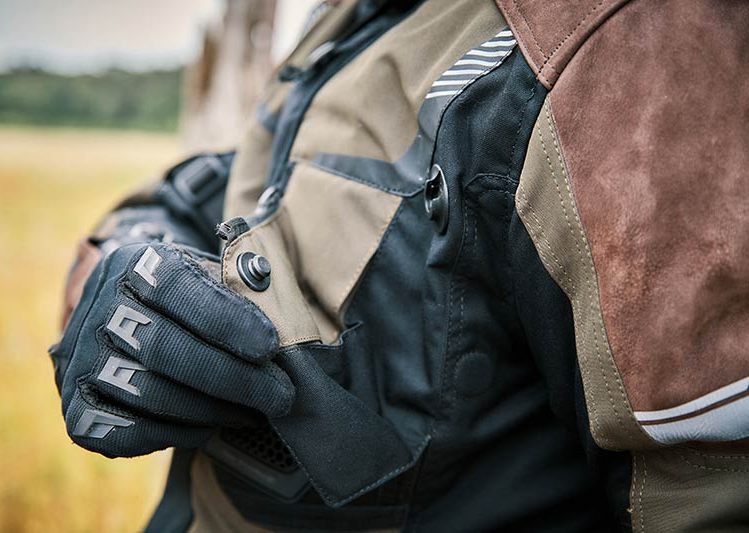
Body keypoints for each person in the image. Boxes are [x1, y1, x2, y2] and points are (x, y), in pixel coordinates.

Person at [49, 0, 749, 531]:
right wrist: (124, 260)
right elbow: (228, 187)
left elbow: (711, 494)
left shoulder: (621, 52)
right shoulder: (357, 17)